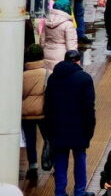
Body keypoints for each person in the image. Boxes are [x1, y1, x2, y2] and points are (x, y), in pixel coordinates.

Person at [43, 49, 96, 196]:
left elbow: (47, 105)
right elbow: (89, 107)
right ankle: (79, 191)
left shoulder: (53, 78)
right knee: (79, 158)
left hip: (57, 128)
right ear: (78, 61)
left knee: (60, 160)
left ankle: (60, 192)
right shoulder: (84, 78)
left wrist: (48, 129)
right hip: (78, 128)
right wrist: (90, 129)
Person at [22, 43, 47, 182]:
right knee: (48, 138)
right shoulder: (47, 73)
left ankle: (33, 166)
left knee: (30, 140)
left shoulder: (23, 75)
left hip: (26, 114)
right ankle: (51, 163)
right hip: (43, 112)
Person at [42, 0, 78, 72]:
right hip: (61, 55)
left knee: (48, 78)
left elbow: (42, 40)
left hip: (46, 53)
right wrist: (75, 60)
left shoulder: (47, 21)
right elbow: (71, 45)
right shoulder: (68, 24)